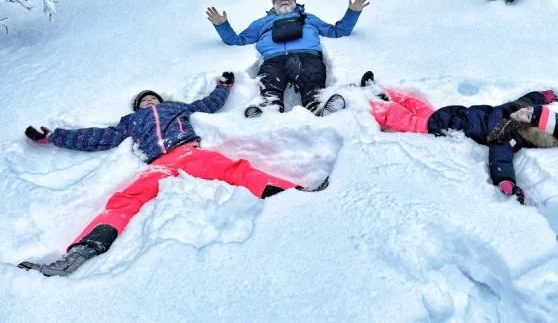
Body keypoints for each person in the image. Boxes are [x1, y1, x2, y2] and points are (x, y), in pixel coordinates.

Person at [18, 72, 328, 277]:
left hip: (188, 153)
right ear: (137, 106)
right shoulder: (130, 121)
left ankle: (290, 191)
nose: (149, 102)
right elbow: (96, 137)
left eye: (153, 98)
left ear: (161, 101)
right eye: (144, 100)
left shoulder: (178, 109)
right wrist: (52, 136)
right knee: (124, 199)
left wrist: (224, 86)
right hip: (158, 164)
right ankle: (81, 252)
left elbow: (209, 103)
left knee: (236, 169)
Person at [361, 71, 558, 205]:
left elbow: (501, 159)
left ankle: (366, 104)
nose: (523, 113)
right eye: (528, 112)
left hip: (443, 127)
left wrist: (506, 182)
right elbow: (529, 100)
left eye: (527, 118)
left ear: (528, 131)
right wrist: (544, 96)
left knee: (405, 119)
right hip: (453, 113)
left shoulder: (505, 136)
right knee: (415, 104)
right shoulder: (519, 109)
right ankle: (378, 90)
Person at [206, 0, 370, 118]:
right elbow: (238, 41)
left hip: (307, 56)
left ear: (295, 0)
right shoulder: (261, 22)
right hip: (273, 60)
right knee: (269, 83)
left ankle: (319, 108)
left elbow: (336, 32)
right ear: (273, 2)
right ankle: (268, 113)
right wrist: (222, 25)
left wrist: (353, 12)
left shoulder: (308, 18)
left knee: (312, 82)